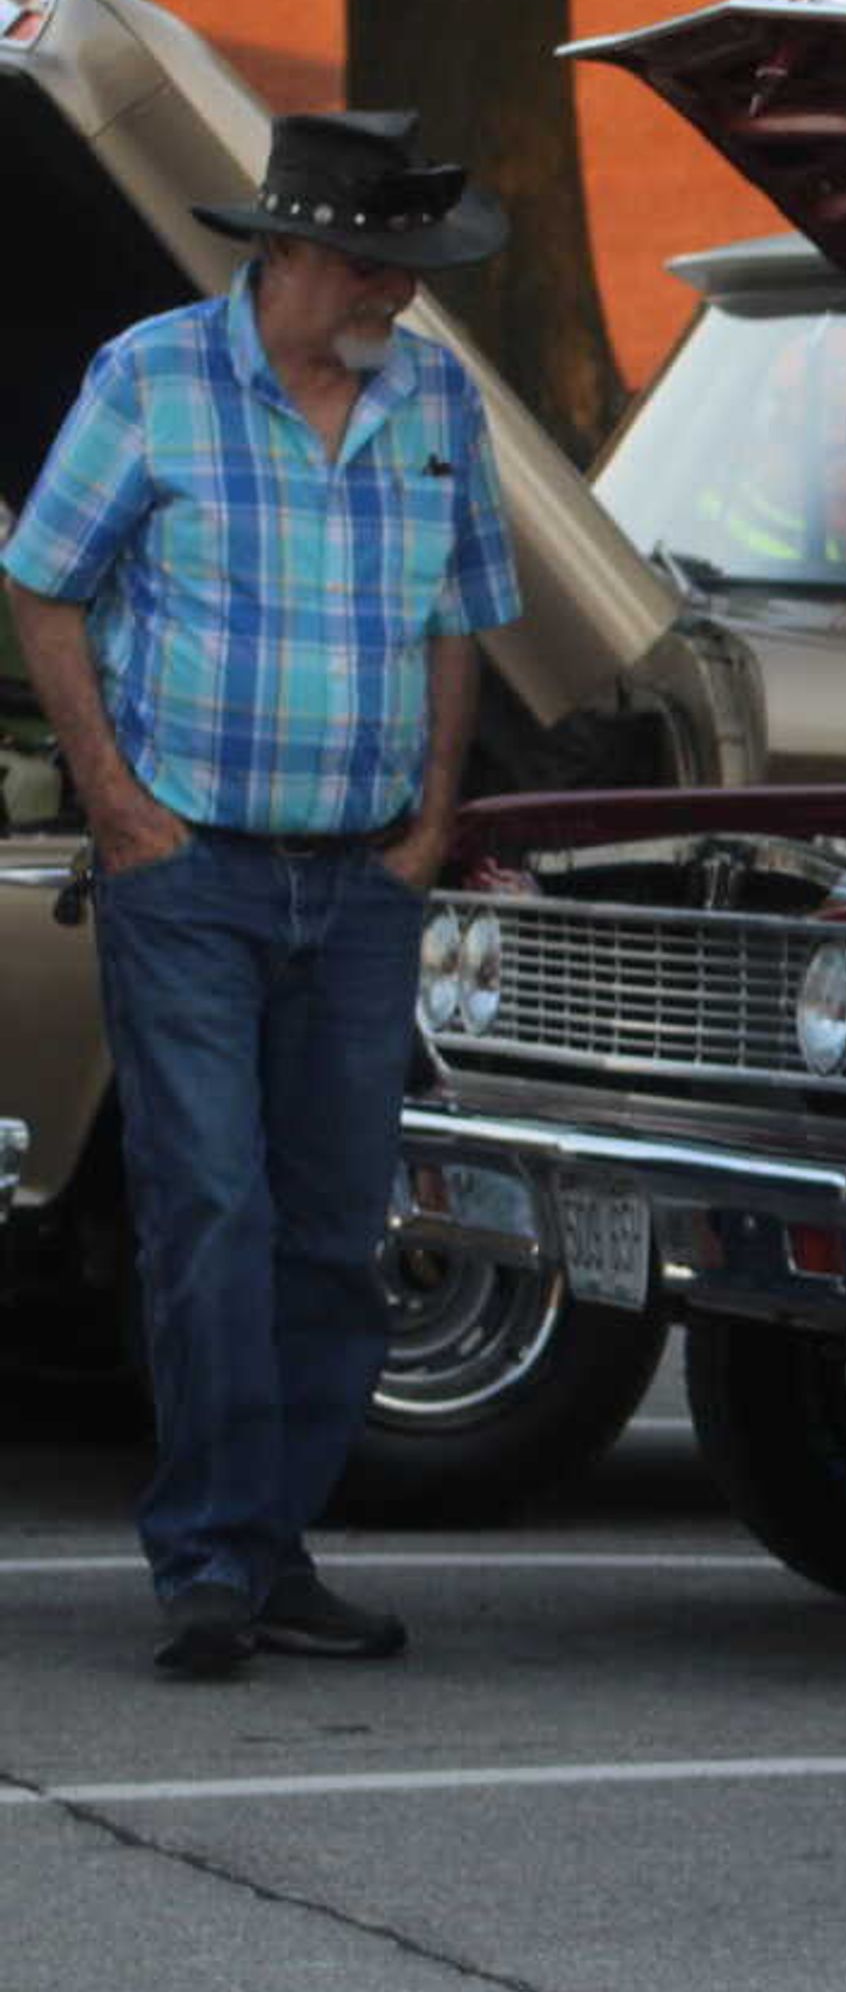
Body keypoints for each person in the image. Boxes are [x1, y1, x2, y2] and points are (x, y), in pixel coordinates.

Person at [1, 110, 520, 1678]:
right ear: (293, 253)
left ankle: (271, 1542)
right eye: (383, 265)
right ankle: (212, 1562)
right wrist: (116, 801)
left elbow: (458, 617)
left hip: (361, 883)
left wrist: (432, 819)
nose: (407, 301)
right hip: (191, 875)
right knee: (208, 1207)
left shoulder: (432, 398)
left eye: (417, 272)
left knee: (331, 1234)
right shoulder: (149, 380)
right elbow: (43, 586)